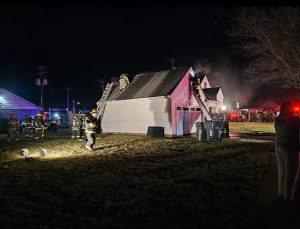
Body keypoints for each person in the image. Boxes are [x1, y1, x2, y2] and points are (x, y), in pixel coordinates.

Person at [275, 101, 300, 205]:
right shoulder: (295, 119)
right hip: (290, 147)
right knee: (290, 173)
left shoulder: (277, 119)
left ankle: (281, 194)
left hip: (278, 146)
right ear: (290, 108)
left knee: (281, 171)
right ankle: (288, 197)